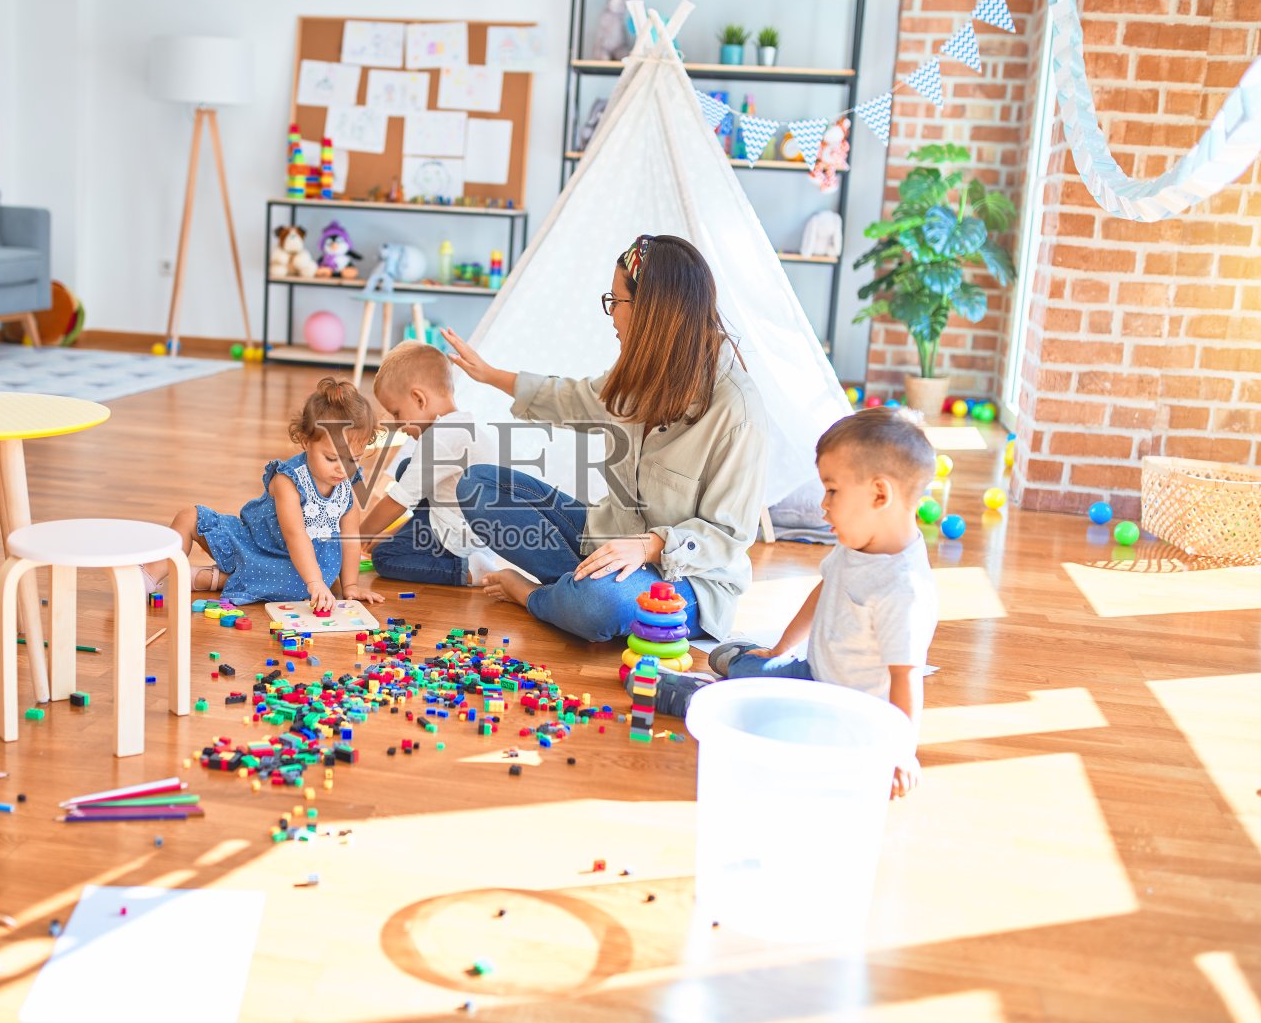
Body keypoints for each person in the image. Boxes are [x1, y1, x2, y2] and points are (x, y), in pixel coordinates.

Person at [439, 233, 769, 643]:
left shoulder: (737, 410)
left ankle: (537, 596)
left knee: (600, 604)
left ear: (650, 310)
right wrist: (491, 375)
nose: (612, 314)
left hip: (688, 581)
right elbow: (575, 400)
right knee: (478, 487)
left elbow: (728, 536)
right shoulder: (641, 374)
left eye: (617, 302)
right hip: (607, 541)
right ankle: (577, 592)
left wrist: (649, 546)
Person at [640, 407, 938, 799]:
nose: (823, 505)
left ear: (880, 493)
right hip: (813, 672)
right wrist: (782, 647)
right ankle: (748, 660)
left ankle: (692, 694)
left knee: (758, 721)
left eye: (832, 490)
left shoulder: (904, 589)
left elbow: (906, 678)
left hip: (843, 714)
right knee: (755, 668)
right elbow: (825, 590)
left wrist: (901, 753)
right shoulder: (857, 545)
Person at [142, 377, 383, 611]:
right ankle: (153, 573)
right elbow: (295, 536)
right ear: (306, 441)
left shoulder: (349, 483)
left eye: (354, 459)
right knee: (189, 516)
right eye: (331, 458)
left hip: (298, 568)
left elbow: (351, 537)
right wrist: (317, 583)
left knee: (302, 584)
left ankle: (211, 578)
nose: (343, 468)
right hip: (254, 543)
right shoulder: (287, 481)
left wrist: (350, 586)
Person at [361, 341, 499, 586]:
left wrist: (356, 537)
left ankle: (469, 571)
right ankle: (465, 558)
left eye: (396, 413)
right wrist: (388, 533)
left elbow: (399, 501)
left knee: (386, 557)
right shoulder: (459, 426)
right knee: (406, 469)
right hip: (465, 524)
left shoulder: (440, 438)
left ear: (419, 399)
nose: (396, 423)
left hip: (461, 539)